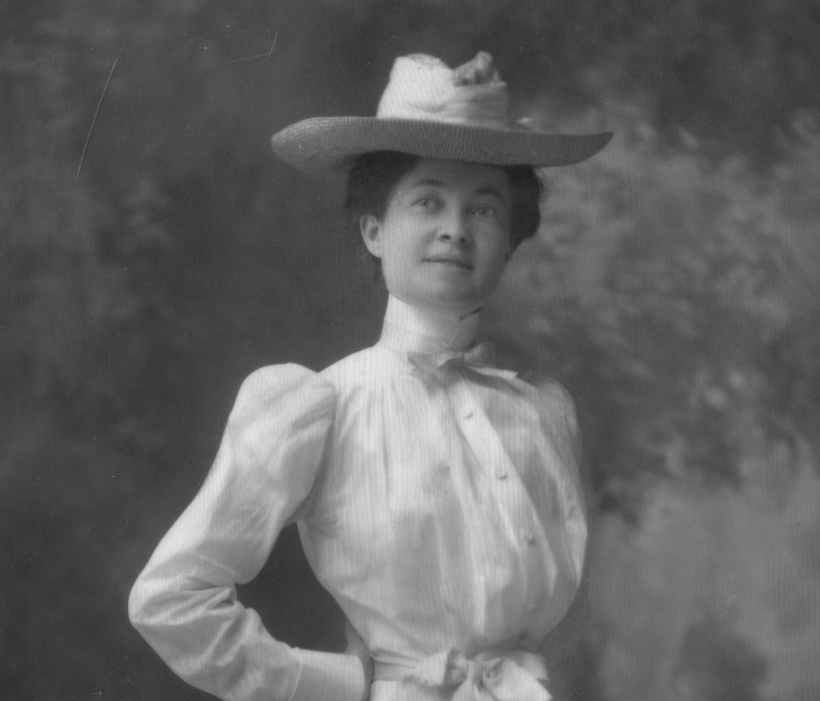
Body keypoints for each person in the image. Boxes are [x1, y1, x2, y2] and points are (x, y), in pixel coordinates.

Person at [129, 51, 612, 701]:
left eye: (485, 210)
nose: (455, 231)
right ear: (375, 229)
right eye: (427, 201)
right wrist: (345, 684)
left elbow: (570, 620)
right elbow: (169, 597)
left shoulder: (544, 412)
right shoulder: (319, 403)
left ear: (512, 239)